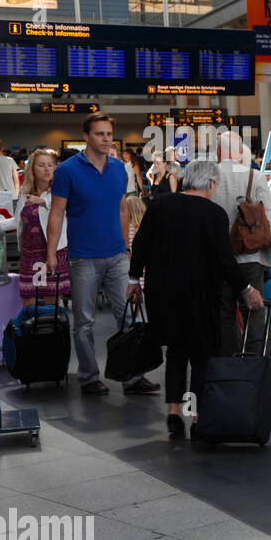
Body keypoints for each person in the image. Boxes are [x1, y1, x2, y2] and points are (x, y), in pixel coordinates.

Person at [129, 159, 264, 438]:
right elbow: (225, 261)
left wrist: (133, 280)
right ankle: (197, 416)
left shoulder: (160, 204)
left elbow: (140, 244)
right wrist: (246, 288)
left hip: (162, 291)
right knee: (202, 354)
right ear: (211, 184)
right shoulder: (214, 214)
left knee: (177, 351)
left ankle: (174, 412)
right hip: (200, 293)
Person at [46, 112, 160, 397]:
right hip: (82, 257)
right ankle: (88, 377)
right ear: (86, 136)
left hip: (117, 255)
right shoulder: (67, 170)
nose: (106, 139)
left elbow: (123, 210)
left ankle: (133, 377)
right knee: (84, 322)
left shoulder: (118, 169)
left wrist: (126, 248)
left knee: (128, 318)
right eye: (100, 134)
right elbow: (57, 213)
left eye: (109, 134)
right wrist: (51, 254)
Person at [212, 131, 271, 354]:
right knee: (254, 310)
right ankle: (253, 362)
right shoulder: (254, 177)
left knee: (223, 312)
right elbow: (270, 218)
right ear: (239, 153)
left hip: (219, 258)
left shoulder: (208, 177)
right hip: (251, 256)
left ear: (218, 151)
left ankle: (227, 363)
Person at [0, 148, 70, 310]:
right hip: (29, 254)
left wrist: (42, 201)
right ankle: (31, 335)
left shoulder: (60, 189)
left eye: (50, 165)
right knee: (28, 302)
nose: (47, 169)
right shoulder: (25, 191)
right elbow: (16, 221)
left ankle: (52, 335)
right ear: (32, 169)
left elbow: (66, 210)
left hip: (52, 253)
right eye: (41, 165)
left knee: (52, 304)